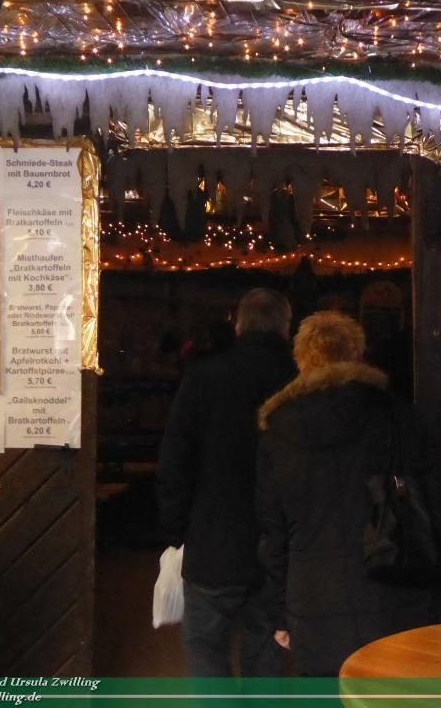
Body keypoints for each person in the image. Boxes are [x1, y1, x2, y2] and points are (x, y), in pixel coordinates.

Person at [256, 311, 441, 676]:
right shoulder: (399, 415)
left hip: (312, 595)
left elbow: (273, 533)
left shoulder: (277, 429)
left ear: (301, 359)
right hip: (397, 587)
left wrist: (278, 611)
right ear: (357, 353)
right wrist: (436, 572)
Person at [156, 288, 296, 677]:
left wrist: (175, 528)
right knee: (266, 647)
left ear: (238, 326)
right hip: (280, 543)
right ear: (286, 329)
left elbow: (176, 460)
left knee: (205, 647)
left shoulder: (204, 376)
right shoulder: (299, 381)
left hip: (212, 538)